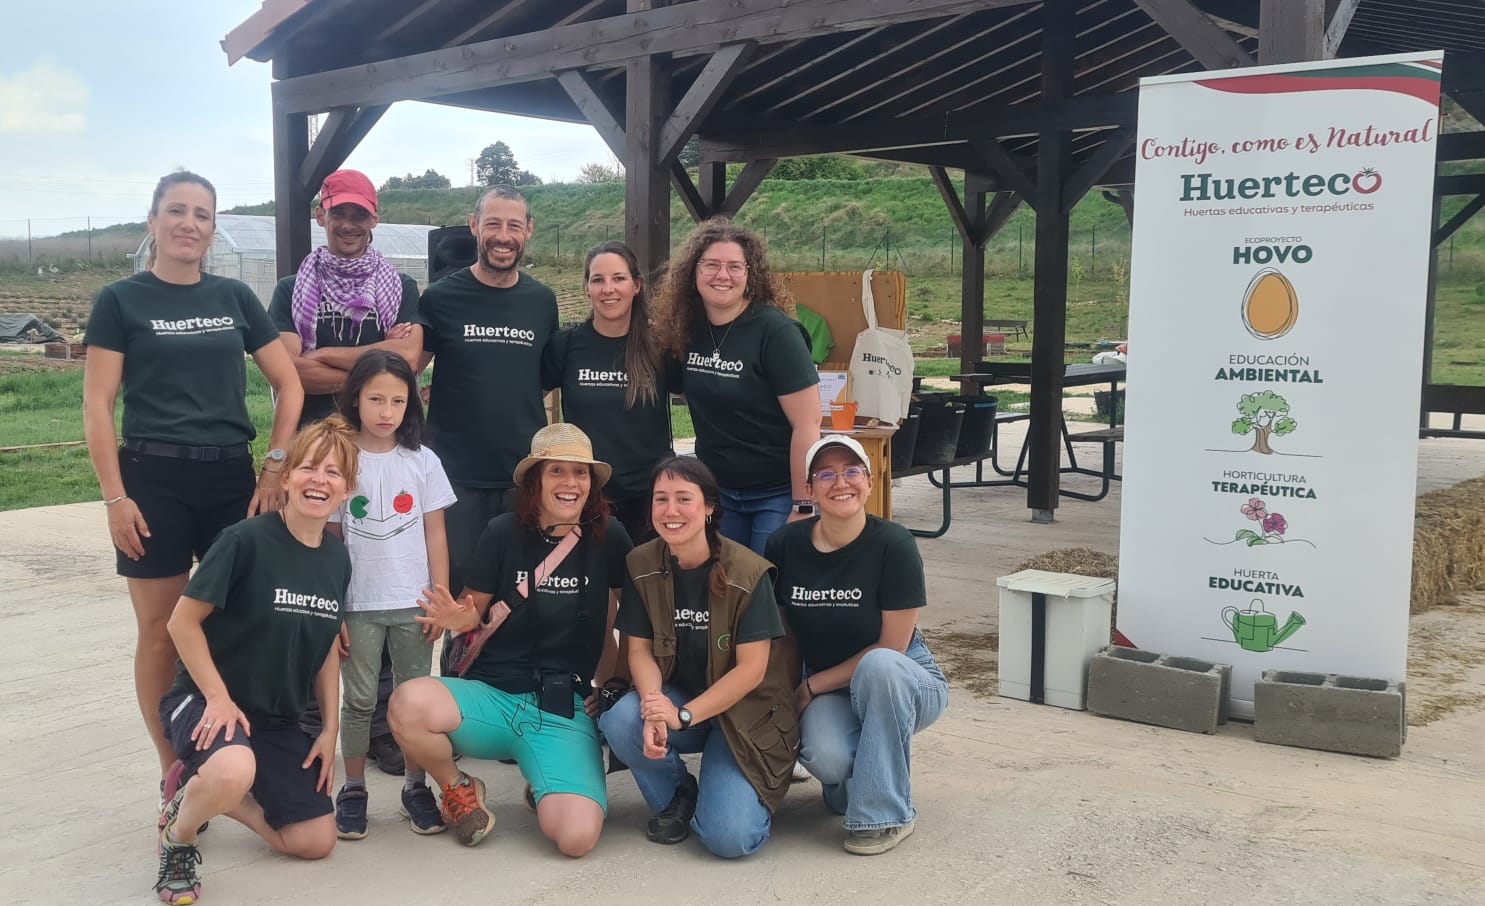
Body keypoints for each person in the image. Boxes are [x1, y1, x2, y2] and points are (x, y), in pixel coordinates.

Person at [82, 171, 304, 804]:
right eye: (176, 211)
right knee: (160, 631)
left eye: (202, 214)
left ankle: (239, 748)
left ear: (212, 228)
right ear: (152, 221)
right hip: (152, 481)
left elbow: (288, 385)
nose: (189, 224)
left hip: (231, 476)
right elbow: (98, 406)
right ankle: (172, 766)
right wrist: (113, 495)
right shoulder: (120, 300)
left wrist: (275, 464)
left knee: (241, 619)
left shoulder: (235, 296)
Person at [388, 423, 632, 856]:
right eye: (556, 471)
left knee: (576, 839)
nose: (569, 484)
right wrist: (454, 616)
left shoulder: (608, 536)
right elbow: (473, 611)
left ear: (591, 484)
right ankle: (458, 787)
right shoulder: (502, 532)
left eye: (580, 474)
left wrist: (613, 682)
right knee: (407, 703)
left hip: (563, 707)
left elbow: (632, 619)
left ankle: (543, 787)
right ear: (535, 480)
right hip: (492, 697)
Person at [153, 418, 357, 904]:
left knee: (313, 841)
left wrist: (330, 728)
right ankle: (178, 839)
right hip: (204, 701)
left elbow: (328, 645)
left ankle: (201, 792)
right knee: (231, 769)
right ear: (285, 479)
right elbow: (181, 622)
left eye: (333, 473)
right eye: (308, 467)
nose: (319, 480)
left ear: (348, 490)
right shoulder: (243, 541)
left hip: (276, 718)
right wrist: (217, 698)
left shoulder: (337, 558)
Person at [269, 168, 422, 776]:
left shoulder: (400, 286)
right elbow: (288, 372)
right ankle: (308, 719)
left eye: (361, 214)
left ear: (374, 219)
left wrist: (325, 357)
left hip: (379, 450)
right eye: (340, 214)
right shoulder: (290, 288)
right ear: (322, 217)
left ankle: (380, 723)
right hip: (313, 454)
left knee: (378, 577)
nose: (350, 224)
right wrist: (371, 367)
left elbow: (405, 364)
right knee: (313, 582)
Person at [599, 456, 798, 859]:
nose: (671, 511)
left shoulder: (747, 572)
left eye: (683, 499)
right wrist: (656, 708)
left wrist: (684, 716)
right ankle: (680, 792)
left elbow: (752, 670)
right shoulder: (640, 563)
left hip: (743, 715)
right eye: (660, 499)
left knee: (728, 839)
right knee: (620, 718)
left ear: (709, 507)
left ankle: (734, 793)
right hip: (681, 699)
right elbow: (637, 648)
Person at [764, 436, 948, 856]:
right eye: (825, 473)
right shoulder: (784, 544)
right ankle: (854, 784)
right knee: (825, 758)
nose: (839, 482)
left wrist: (809, 688)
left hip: (904, 676)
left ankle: (885, 815)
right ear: (809, 489)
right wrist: (788, 692)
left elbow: (892, 645)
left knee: (879, 667)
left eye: (851, 471)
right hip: (833, 683)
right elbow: (786, 632)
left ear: (869, 482)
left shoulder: (894, 544)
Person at [326, 350, 456, 840]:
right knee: (358, 700)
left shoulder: (422, 462)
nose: (386, 411)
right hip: (358, 604)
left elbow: (436, 535)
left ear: (411, 406)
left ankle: (415, 784)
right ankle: (354, 787)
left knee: (412, 700)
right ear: (354, 398)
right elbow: (331, 540)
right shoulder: (340, 460)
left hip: (413, 604)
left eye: (397, 400)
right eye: (375, 398)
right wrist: (334, 606)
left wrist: (439, 599)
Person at [418, 185, 559, 599]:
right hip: (453, 477)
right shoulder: (441, 298)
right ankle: (457, 668)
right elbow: (406, 370)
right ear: (474, 225)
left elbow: (545, 377)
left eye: (514, 225)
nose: (503, 235)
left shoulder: (541, 301)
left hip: (522, 475)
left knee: (518, 597)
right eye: (493, 223)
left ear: (528, 230)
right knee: (460, 598)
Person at [652, 217, 820, 555]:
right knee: (725, 588)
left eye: (734, 267)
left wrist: (803, 504)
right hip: (717, 491)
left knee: (763, 587)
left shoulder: (775, 332)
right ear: (693, 271)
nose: (722, 275)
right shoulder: (687, 329)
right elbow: (688, 389)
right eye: (711, 265)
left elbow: (808, 424)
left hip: (775, 492)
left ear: (749, 274)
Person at [544, 241, 672, 540]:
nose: (608, 289)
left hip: (649, 498)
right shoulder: (567, 345)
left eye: (618, 278)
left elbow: (706, 398)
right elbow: (523, 399)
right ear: (587, 288)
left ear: (636, 286)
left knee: (643, 585)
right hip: (586, 497)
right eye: (598, 280)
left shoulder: (660, 347)